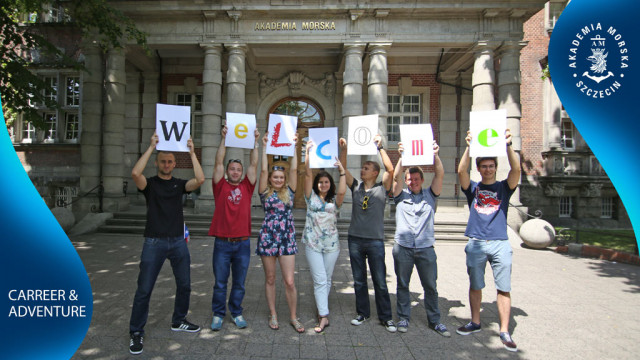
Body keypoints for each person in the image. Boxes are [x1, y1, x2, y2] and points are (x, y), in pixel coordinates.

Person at [128, 133, 205, 355]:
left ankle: (178, 320)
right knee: (144, 289)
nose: (167, 164)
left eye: (170, 161)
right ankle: (136, 331)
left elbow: (200, 180)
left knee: (185, 285)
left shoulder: (179, 185)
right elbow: (135, 173)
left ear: (174, 164)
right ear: (157, 163)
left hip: (178, 242)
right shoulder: (149, 185)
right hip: (154, 242)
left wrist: (191, 152)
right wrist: (152, 147)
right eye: (163, 161)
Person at [456, 129, 521, 352]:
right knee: (475, 284)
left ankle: (504, 330)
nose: (488, 169)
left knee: (503, 288)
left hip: (499, 242)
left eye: (491, 166)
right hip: (476, 242)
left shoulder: (504, 188)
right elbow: (461, 170)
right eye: (483, 166)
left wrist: (509, 145)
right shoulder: (473, 189)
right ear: (480, 169)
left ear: (495, 167)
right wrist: (469, 147)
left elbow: (517, 169)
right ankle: (475, 321)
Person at [391, 140, 450, 336]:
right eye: (410, 179)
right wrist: (401, 158)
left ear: (422, 180)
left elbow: (440, 173)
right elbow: (395, 176)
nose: (413, 182)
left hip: (425, 248)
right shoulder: (400, 196)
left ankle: (434, 320)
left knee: (430, 286)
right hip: (403, 247)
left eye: (416, 179)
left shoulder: (431, 195)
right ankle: (404, 318)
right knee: (403, 284)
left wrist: (435, 155)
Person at [339, 134, 397, 333]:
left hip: (375, 241)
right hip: (355, 239)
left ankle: (386, 317)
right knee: (359, 279)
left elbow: (391, 169)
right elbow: (343, 169)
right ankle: (362, 313)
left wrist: (380, 147)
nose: (362, 170)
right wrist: (344, 150)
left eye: (366, 168)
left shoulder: (382, 189)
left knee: (380, 281)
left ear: (374, 173)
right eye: (362, 168)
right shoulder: (356, 187)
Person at [209, 125, 260, 331]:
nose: (236, 171)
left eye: (239, 169)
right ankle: (218, 314)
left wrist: (255, 142)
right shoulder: (220, 185)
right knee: (220, 283)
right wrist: (223, 139)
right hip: (222, 243)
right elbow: (218, 161)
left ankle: (237, 312)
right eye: (233, 169)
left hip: (242, 243)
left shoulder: (247, 187)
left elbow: (254, 164)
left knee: (239, 283)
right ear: (228, 172)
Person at [257, 132, 304, 333]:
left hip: (286, 239)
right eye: (274, 177)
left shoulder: (290, 191)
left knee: (290, 280)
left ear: (284, 179)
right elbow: (262, 171)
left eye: (280, 177)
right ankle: (273, 313)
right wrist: (264, 146)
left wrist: (295, 145)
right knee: (270, 278)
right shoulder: (264, 192)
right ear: (270, 178)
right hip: (267, 238)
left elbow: (294, 168)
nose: (277, 179)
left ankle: (293, 316)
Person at [301, 140, 347, 333]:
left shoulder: (335, 200)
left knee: (327, 278)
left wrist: (342, 170)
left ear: (331, 184)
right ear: (316, 184)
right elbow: (307, 174)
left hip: (332, 245)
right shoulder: (309, 197)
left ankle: (322, 309)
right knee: (320, 278)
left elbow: (343, 190)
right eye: (320, 182)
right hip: (312, 243)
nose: (323, 184)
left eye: (326, 181)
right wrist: (308, 153)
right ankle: (324, 316)